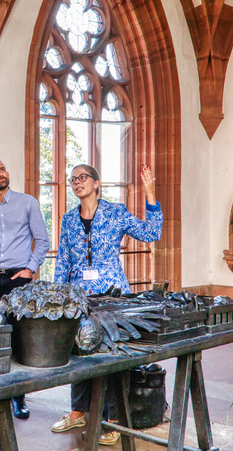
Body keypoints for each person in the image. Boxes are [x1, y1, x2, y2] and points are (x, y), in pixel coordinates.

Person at [51, 164, 162, 446]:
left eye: (83, 177)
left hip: (112, 294)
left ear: (97, 183)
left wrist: (150, 195)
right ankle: (79, 411)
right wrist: (58, 296)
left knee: (113, 356)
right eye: (73, 179)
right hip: (79, 295)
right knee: (80, 352)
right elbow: (63, 259)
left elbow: (151, 233)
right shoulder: (67, 219)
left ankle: (115, 419)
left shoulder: (116, 212)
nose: (77, 182)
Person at [0, 158, 49, 420]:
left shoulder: (27, 203)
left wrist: (30, 269)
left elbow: (43, 240)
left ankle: (18, 396)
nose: (0, 173)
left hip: (19, 277)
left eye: (3, 169)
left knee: (19, 334)